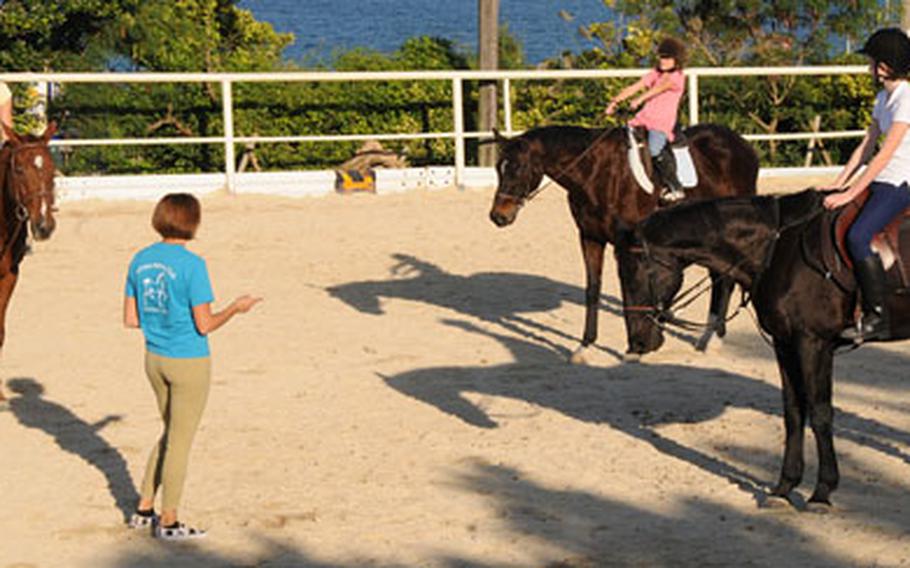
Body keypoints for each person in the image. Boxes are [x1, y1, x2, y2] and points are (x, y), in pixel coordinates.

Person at [123, 193, 261, 540]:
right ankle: (168, 520)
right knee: (181, 441)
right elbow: (205, 324)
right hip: (188, 360)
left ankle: (144, 506)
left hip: (153, 358)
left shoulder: (139, 260)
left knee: (171, 432)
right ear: (192, 222)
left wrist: (163, 321)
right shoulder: (193, 265)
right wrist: (235, 308)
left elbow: (130, 318)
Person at [821, 27, 910, 342]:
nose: (868, 67)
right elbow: (866, 146)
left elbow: (885, 155)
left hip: (901, 181)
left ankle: (877, 317)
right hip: (882, 177)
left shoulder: (906, 99)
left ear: (884, 66)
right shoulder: (883, 97)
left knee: (859, 236)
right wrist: (837, 183)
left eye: (871, 62)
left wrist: (851, 193)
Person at [605, 36, 687, 202]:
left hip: (661, 123)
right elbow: (635, 87)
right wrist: (615, 101)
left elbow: (657, 90)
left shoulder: (677, 77)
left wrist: (639, 100)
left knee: (655, 149)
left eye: (667, 58)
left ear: (676, 60)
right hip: (643, 119)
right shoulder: (654, 73)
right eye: (661, 57)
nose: (663, 61)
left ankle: (675, 186)